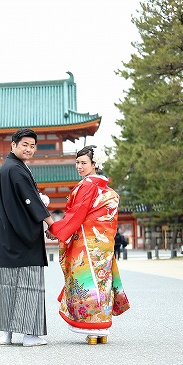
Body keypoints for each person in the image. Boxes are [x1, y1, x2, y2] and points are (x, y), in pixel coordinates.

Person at [48, 145, 131, 345]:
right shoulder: (106, 189)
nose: (79, 166)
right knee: (102, 281)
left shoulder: (88, 185)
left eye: (84, 163)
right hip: (103, 245)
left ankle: (93, 328)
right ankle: (102, 328)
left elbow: (76, 214)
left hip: (86, 243)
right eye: (77, 162)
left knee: (88, 282)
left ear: (95, 164)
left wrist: (55, 229)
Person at [0, 128, 54, 347]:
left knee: (8, 285)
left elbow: (26, 199)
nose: (29, 149)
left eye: (32, 146)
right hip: (23, 238)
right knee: (30, 285)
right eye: (25, 145)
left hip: (8, 236)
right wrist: (50, 223)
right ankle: (30, 335)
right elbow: (30, 200)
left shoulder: (8, 167)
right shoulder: (17, 170)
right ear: (13, 145)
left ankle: (7, 333)